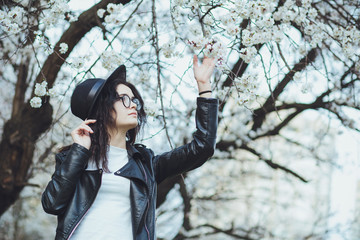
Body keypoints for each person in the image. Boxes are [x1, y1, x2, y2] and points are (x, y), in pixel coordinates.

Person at [41, 55, 219, 240]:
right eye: (124, 99)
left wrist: (204, 87)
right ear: (103, 107)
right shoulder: (74, 158)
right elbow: (52, 204)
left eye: (134, 99)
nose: (133, 104)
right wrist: (79, 152)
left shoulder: (146, 165)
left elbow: (203, 147)